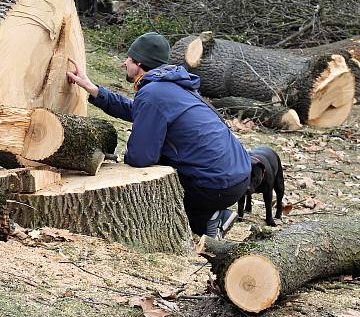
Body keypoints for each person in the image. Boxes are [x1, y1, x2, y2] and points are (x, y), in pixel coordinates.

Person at [66, 32, 251, 238]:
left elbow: (141, 158)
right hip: (238, 175)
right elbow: (137, 110)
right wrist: (93, 89)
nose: (124, 63)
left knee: (150, 185)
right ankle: (212, 216)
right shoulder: (171, 86)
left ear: (139, 63)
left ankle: (209, 219)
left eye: (129, 58)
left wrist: (124, 156)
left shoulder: (153, 93)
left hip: (216, 185)